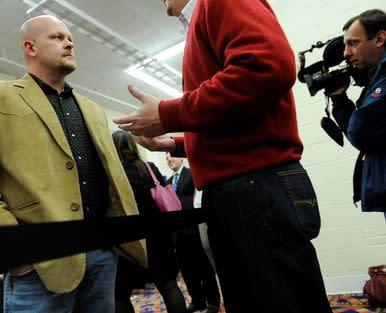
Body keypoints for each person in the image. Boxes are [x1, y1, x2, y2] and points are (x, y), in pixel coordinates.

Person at [113, 0, 332, 312]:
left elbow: (267, 67)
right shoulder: (203, 16)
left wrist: (168, 112)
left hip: (255, 188)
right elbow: (232, 120)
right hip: (244, 190)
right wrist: (174, 144)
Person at [0, 15, 147, 313]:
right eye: (57, 37)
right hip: (40, 266)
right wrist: (18, 252)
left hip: (102, 257)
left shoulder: (92, 109)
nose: (69, 42)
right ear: (30, 47)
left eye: (70, 38)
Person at [112, 130, 187, 313]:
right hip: (157, 236)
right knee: (168, 286)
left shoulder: (111, 172)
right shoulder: (149, 167)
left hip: (127, 240)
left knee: (120, 294)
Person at [327, 9, 386, 217]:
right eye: (345, 45)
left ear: (380, 38)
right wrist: (339, 99)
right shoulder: (375, 78)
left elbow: (360, 132)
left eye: (353, 43)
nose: (346, 53)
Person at [166, 153, 220, 313]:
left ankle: (213, 302)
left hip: (194, 231)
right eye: (166, 158)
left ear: (181, 158)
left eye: (171, 156)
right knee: (187, 271)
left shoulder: (191, 174)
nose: (169, 159)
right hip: (178, 235)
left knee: (204, 269)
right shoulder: (168, 183)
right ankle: (198, 301)